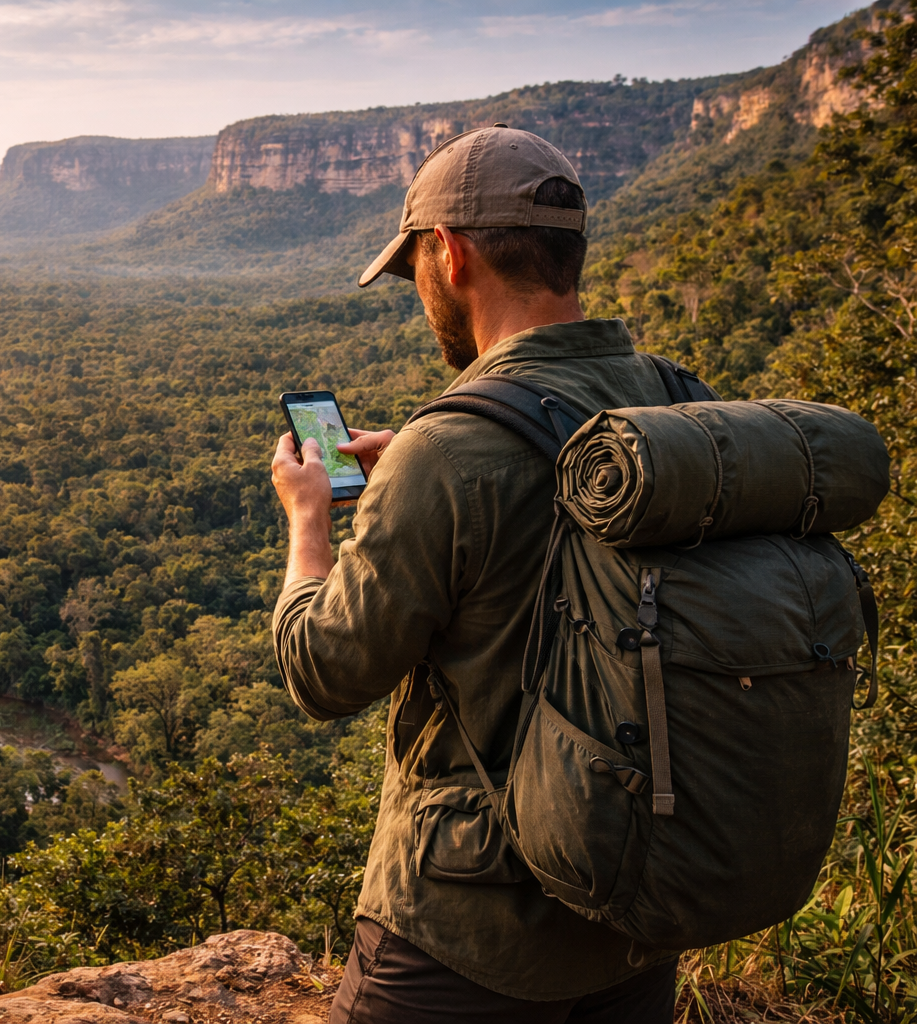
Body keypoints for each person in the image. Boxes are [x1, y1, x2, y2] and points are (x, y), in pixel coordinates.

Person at [269, 125, 682, 1023]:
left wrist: (309, 521)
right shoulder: (679, 401)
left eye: (413, 265)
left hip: (470, 928)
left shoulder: (448, 450)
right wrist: (417, 491)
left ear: (449, 256)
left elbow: (323, 673)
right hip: (640, 905)